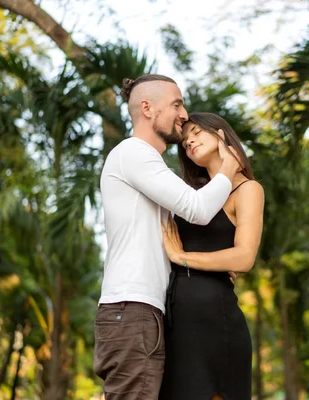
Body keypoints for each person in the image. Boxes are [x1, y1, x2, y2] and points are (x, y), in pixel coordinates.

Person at [93, 76, 241, 399]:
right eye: (176, 104)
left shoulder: (149, 166)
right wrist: (229, 168)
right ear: (147, 108)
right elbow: (198, 209)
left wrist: (211, 264)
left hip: (141, 312)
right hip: (132, 310)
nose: (184, 114)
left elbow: (169, 241)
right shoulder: (134, 153)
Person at [159, 112, 265, 400]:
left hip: (215, 319)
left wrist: (181, 257)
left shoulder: (248, 189)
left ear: (220, 134)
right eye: (183, 142)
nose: (189, 141)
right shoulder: (189, 197)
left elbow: (244, 258)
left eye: (196, 132)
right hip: (174, 318)